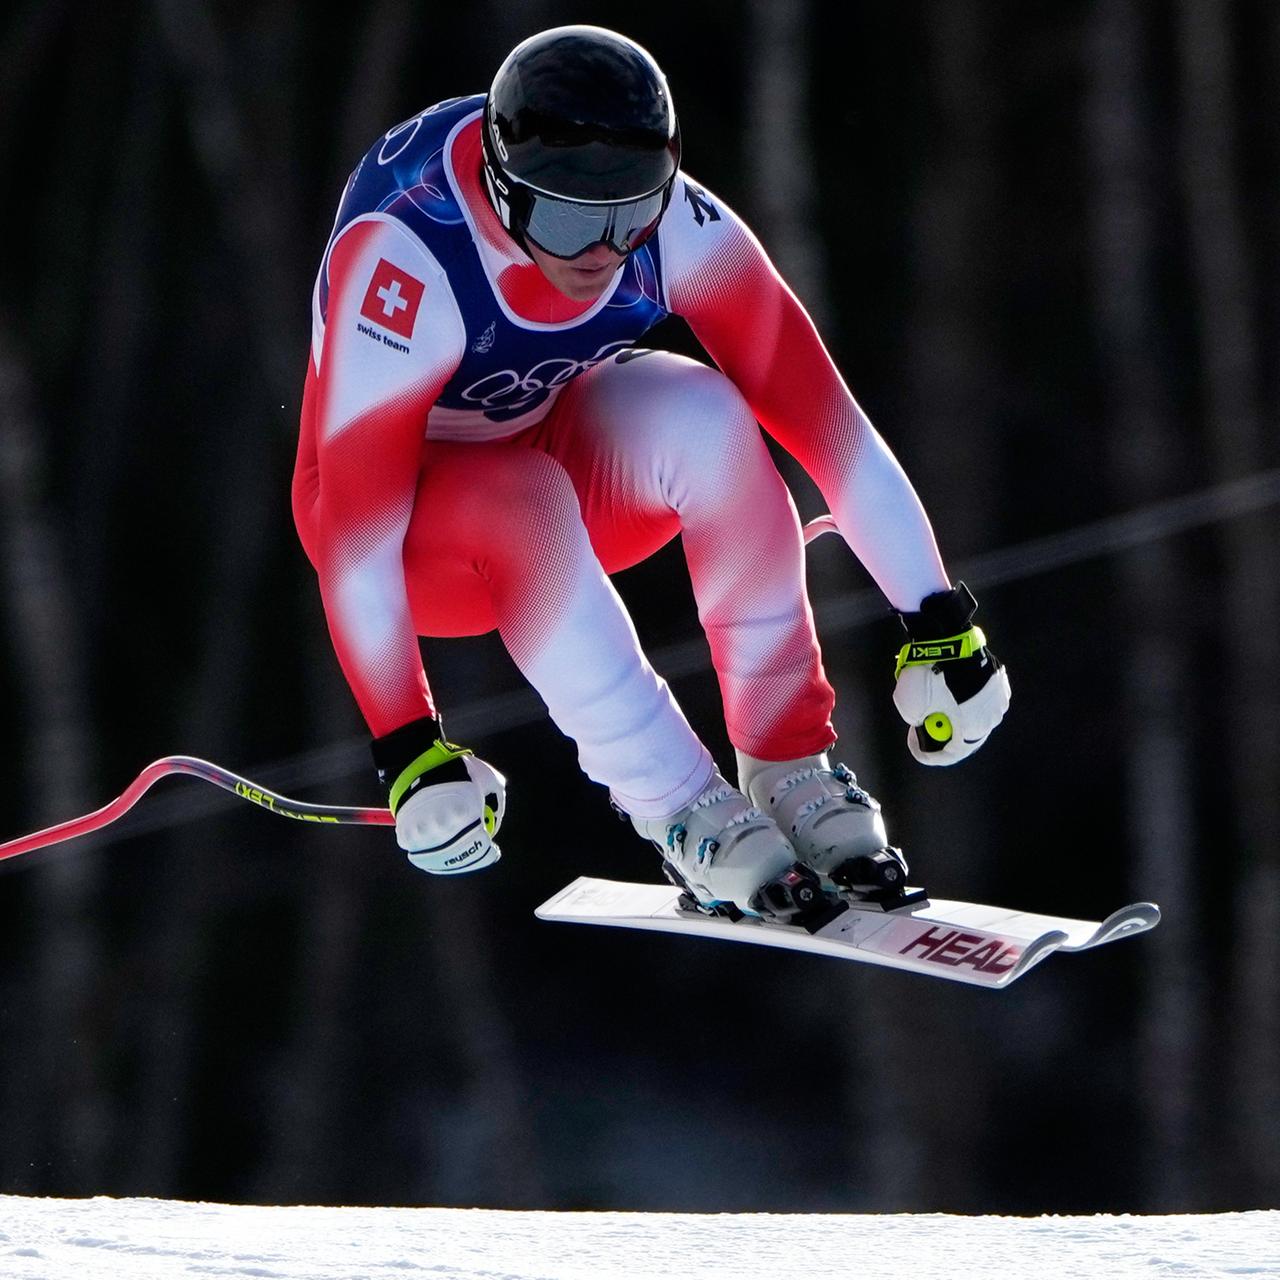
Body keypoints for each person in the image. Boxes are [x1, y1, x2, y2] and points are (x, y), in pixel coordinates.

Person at [292, 25, 1011, 920]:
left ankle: (792, 764)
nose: (600, 252)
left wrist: (941, 623)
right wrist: (409, 750)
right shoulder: (407, 259)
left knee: (709, 413)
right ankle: (681, 810)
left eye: (628, 218)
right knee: (521, 500)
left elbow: (835, 432)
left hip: (547, 442)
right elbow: (358, 546)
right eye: (568, 221)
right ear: (504, 190)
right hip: (407, 543)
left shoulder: (674, 225)